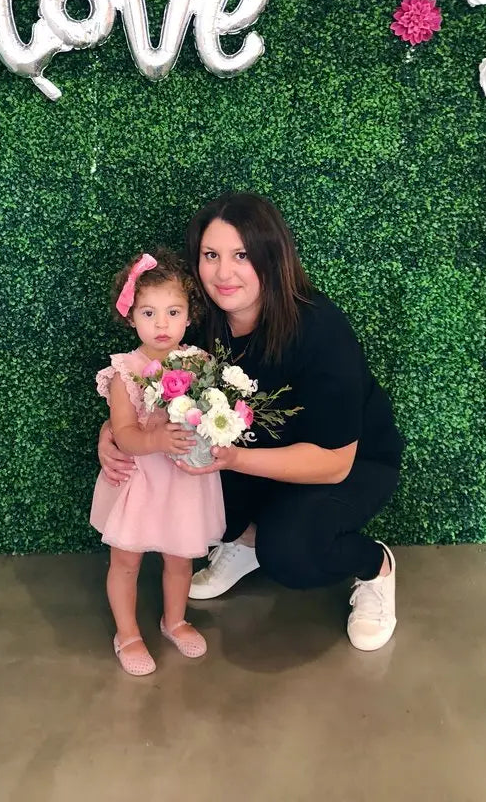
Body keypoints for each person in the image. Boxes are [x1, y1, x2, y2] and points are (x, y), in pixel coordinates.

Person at [98, 194, 404, 652]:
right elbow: (148, 385)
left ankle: (374, 566)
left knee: (291, 553)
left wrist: (233, 458)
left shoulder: (320, 330)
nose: (224, 273)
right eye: (211, 255)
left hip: (344, 464)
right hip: (244, 457)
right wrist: (115, 434)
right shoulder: (197, 323)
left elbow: (335, 463)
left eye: (241, 255)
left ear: (272, 256)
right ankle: (243, 540)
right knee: (179, 485)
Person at [90, 248, 225, 676]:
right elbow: (125, 433)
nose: (161, 324)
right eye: (149, 313)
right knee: (126, 561)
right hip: (139, 480)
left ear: (190, 316)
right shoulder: (124, 372)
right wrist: (156, 437)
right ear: (131, 317)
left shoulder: (199, 364)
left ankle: (175, 620)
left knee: (179, 558)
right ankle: (127, 632)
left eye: (173, 312)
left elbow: (211, 414)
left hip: (182, 481)